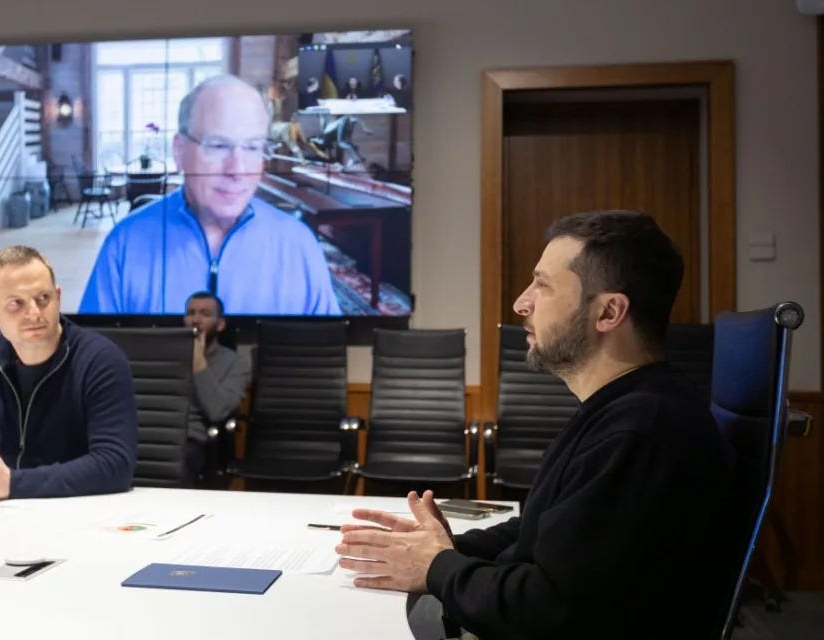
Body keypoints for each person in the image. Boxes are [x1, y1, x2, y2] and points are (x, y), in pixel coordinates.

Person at [335, 211, 737, 639]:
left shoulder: (640, 434)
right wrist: (443, 548)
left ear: (609, 312)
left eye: (542, 285)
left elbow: (549, 611)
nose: (521, 303)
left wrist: (437, 566)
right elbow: (541, 531)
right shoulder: (623, 409)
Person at [79, 75, 340, 316]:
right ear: (180, 151)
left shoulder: (299, 246)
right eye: (218, 146)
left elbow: (329, 358)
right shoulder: (124, 245)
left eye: (252, 147)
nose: (237, 170)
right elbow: (95, 362)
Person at [0, 245, 138, 500]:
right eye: (17, 303)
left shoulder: (100, 359)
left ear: (58, 297)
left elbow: (115, 464)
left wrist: (14, 483)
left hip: (80, 513)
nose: (34, 313)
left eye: (43, 299)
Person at [182, 291, 249, 485]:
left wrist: (198, 361)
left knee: (182, 462)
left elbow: (217, 410)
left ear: (220, 324)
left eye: (205, 314)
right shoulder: (168, 355)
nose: (196, 319)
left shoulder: (236, 364)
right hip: (156, 434)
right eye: (191, 313)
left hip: (194, 440)